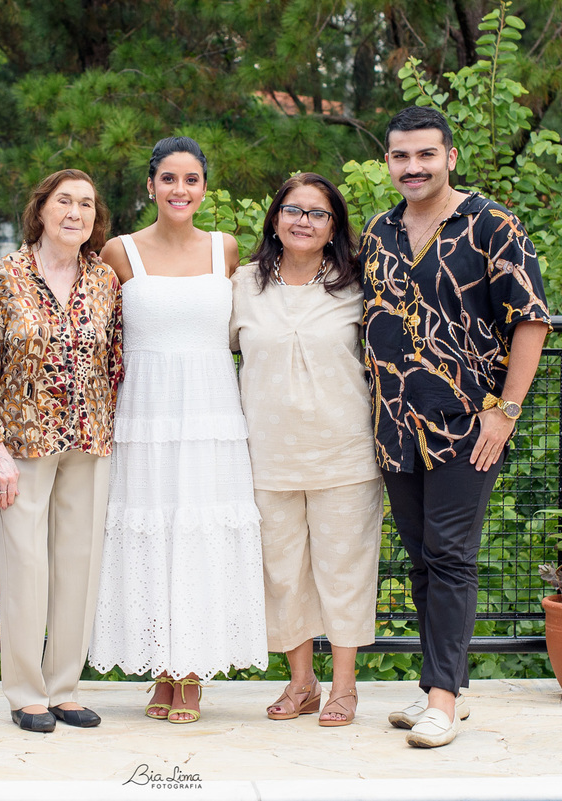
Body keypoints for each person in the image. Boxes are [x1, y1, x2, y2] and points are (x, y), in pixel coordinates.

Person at [360, 106, 551, 748]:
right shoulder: (379, 231)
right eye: (400, 156)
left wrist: (507, 410)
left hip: (467, 423)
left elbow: (531, 319)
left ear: (450, 156)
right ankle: (439, 686)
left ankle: (443, 697)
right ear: (388, 162)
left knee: (450, 555)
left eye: (425, 155)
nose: (412, 167)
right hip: (393, 423)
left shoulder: (491, 224)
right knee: (420, 558)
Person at [88, 136, 268, 724]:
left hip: (212, 416)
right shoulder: (119, 252)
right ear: (150, 186)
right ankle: (163, 668)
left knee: (200, 533)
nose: (180, 190)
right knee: (152, 532)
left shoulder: (227, 250)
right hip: (145, 414)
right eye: (169, 179)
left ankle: (192, 673)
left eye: (191, 180)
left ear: (204, 188)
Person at [0, 169, 122, 733]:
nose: (75, 212)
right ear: (42, 209)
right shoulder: (4, 277)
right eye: (64, 201)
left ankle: (65, 688)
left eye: (86, 203)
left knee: (78, 567)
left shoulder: (104, 280)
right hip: (22, 444)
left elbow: (117, 361)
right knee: (24, 567)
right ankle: (27, 692)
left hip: (89, 439)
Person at [229, 173, 383, 728]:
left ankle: (345, 687)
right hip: (265, 455)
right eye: (293, 210)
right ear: (274, 218)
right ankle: (301, 683)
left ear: (333, 226)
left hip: (345, 454)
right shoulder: (243, 284)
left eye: (317, 213)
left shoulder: (358, 285)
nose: (303, 221)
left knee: (344, 571)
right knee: (282, 572)